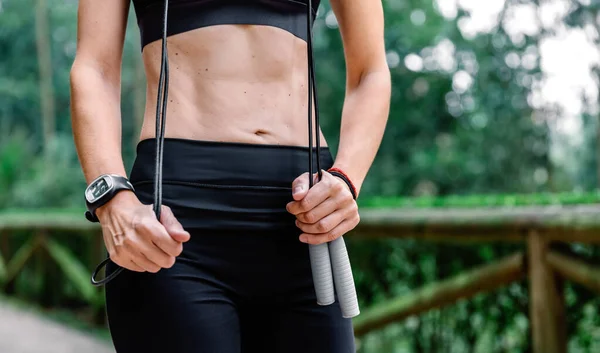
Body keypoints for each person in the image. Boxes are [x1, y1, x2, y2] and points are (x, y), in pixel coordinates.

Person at [70, 0, 390, 352]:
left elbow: (370, 70)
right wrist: (112, 199)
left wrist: (347, 177)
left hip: (307, 222)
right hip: (173, 224)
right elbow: (94, 69)